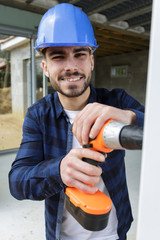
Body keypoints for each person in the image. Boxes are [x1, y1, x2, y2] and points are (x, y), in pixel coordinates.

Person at [9, 3, 144, 240]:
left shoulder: (116, 101)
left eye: (80, 54)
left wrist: (130, 116)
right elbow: (17, 181)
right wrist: (59, 170)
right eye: (58, 56)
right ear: (46, 68)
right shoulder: (38, 115)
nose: (71, 66)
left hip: (114, 234)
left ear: (91, 61)